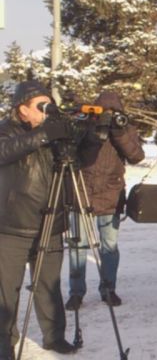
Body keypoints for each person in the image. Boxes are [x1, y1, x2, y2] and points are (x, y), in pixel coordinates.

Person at [0, 80, 78, 357]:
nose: (47, 111)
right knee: (6, 291)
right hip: (13, 224)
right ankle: (4, 343)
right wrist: (43, 135)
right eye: (40, 106)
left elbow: (77, 165)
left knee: (49, 285)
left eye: (49, 105)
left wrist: (80, 138)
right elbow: (5, 151)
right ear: (22, 109)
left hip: (51, 221)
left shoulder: (54, 131)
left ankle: (54, 336)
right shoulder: (6, 130)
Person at [65, 91, 145, 311]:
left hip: (111, 193)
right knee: (77, 246)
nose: (110, 117)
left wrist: (118, 133)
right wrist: (94, 132)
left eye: (114, 113)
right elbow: (71, 150)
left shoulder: (125, 127)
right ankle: (76, 292)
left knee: (109, 247)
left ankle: (109, 288)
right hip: (82, 192)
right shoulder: (85, 125)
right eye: (105, 112)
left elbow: (137, 156)